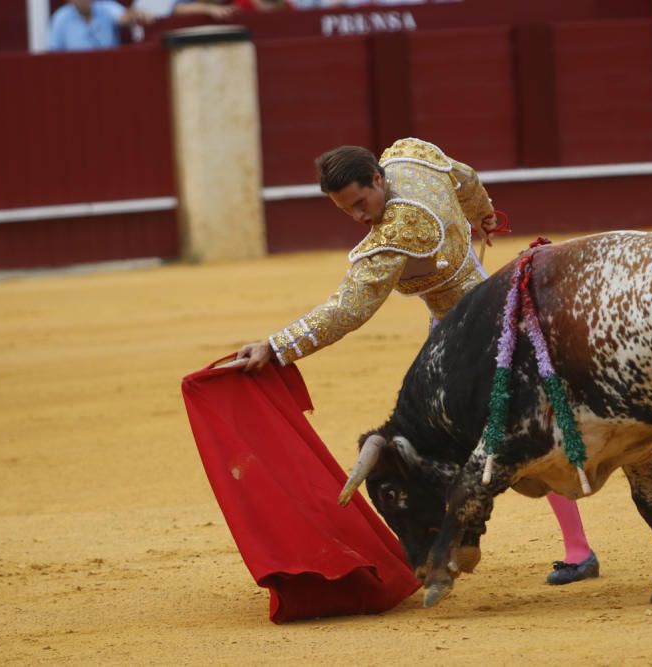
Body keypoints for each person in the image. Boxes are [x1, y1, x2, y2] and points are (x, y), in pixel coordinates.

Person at [228, 138, 599, 585]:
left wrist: (278, 345)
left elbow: (349, 308)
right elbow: (464, 178)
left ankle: (550, 548)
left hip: (474, 343)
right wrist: (481, 212)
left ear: (378, 178)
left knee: (510, 433)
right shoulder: (411, 155)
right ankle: (482, 541)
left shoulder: (398, 231)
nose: (360, 217)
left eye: (362, 202)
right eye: (347, 210)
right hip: (475, 319)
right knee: (499, 431)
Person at [48, 0, 153, 52]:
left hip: (109, 67)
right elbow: (53, 52)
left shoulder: (106, 8)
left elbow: (124, 17)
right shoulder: (60, 18)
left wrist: (136, 15)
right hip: (75, 73)